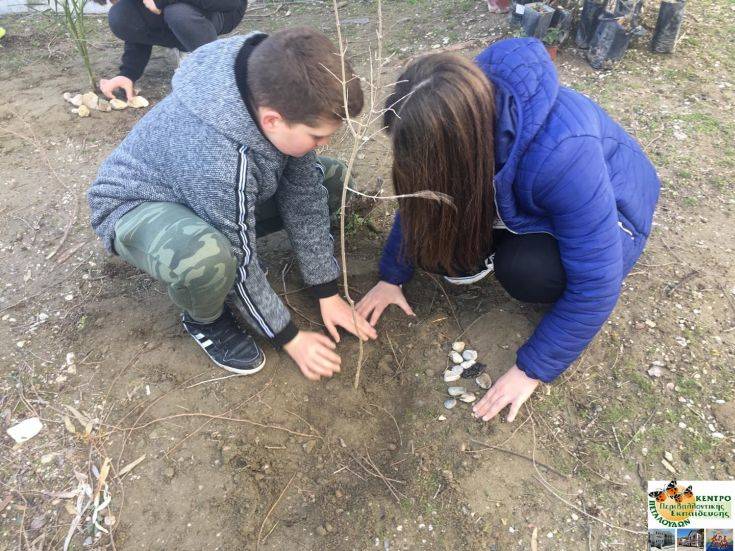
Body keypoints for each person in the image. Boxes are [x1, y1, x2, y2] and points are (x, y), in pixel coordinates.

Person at [356, 38, 660, 422]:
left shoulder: (563, 152)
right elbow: (423, 195)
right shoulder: (463, 116)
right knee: (442, 241)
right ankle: (495, 239)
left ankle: (509, 249)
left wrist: (530, 369)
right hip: (522, 194)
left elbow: (599, 282)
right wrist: (392, 276)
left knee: (527, 272)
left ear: (461, 147)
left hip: (617, 217)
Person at [88, 28, 377, 380]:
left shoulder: (277, 84)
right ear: (272, 119)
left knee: (330, 179)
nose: (326, 142)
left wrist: (326, 289)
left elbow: (303, 195)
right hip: (137, 204)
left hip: (211, 192)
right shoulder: (219, 160)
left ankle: (220, 237)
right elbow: (241, 257)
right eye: (317, 135)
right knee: (210, 257)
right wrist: (288, 336)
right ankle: (203, 320)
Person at [97, 0, 248, 101]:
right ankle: (190, 44)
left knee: (178, 13)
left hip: (222, 10)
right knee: (121, 16)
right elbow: (139, 17)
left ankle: (218, 76)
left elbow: (230, 3)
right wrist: (128, 73)